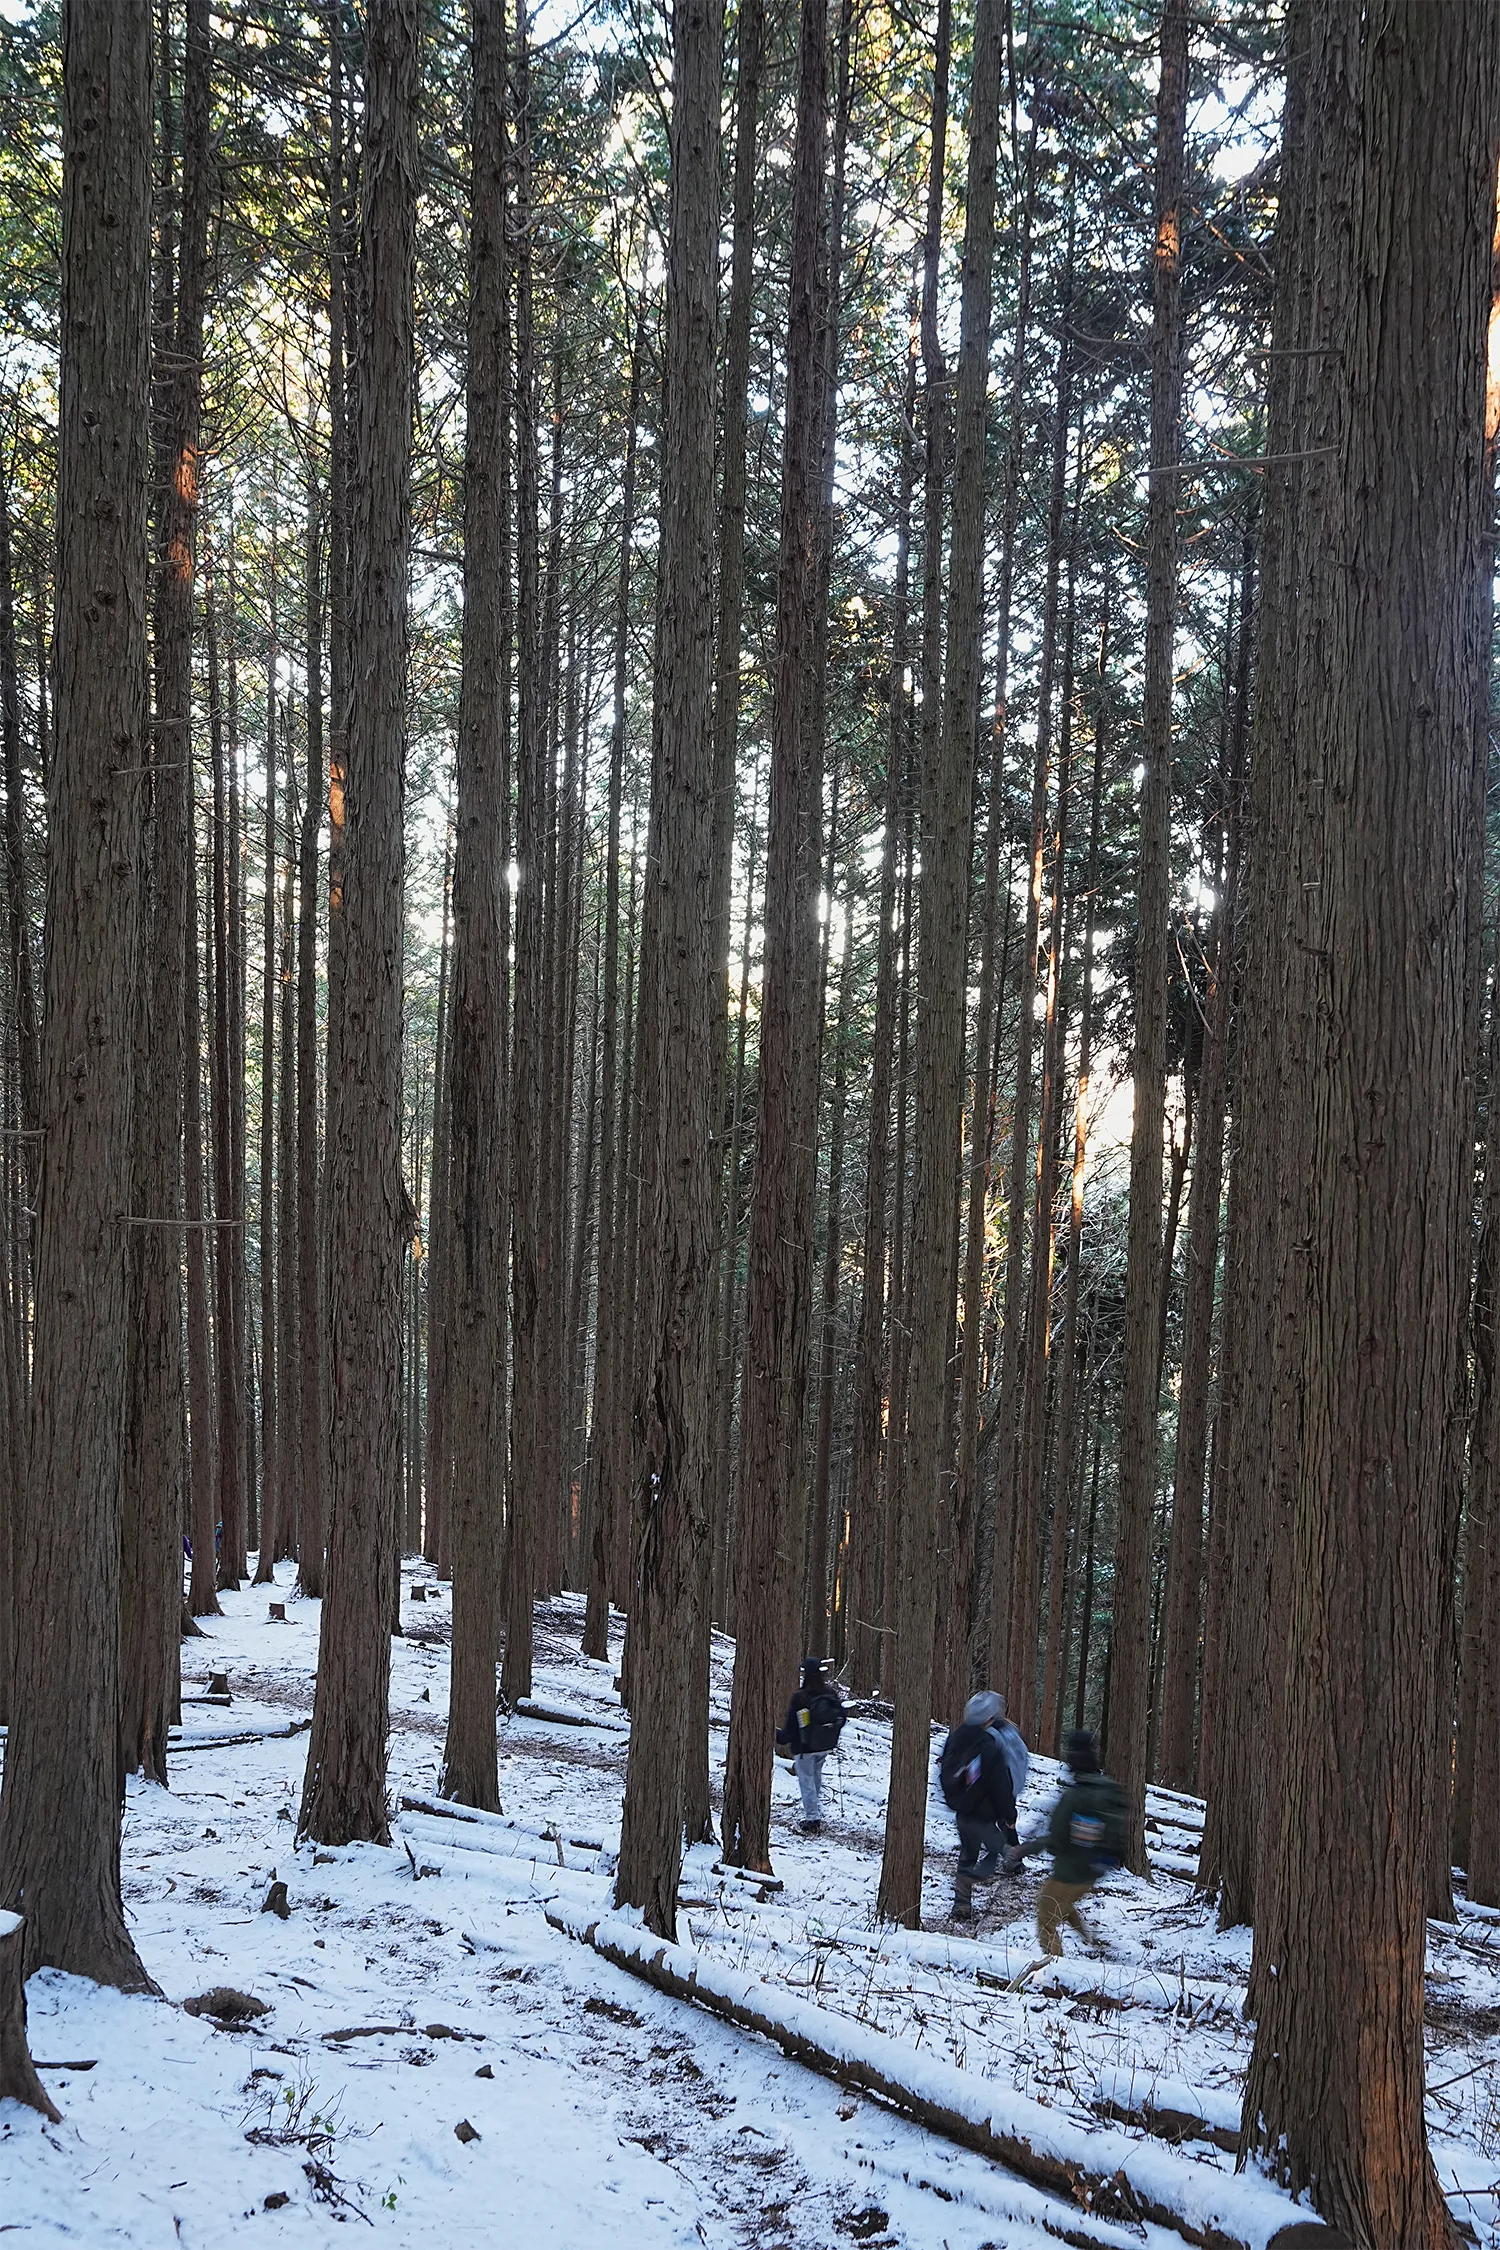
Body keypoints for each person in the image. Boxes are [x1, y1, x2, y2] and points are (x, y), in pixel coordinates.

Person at [1009, 1728, 1127, 1958]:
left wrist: (1026, 1848)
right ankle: (1088, 1939)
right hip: (1095, 1869)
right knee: (1063, 1901)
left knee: (1046, 1917)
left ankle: (1056, 1969)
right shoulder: (1109, 1788)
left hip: (1071, 1871)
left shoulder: (1075, 1797)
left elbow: (1057, 1840)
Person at [938, 1690, 1018, 1922]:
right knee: (996, 1852)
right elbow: (1001, 1785)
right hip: (984, 1816)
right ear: (988, 1718)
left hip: (962, 1813)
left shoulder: (954, 1738)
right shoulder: (989, 1746)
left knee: (967, 1855)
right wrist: (1009, 1814)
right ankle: (973, 1881)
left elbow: (944, 1772)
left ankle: (962, 1906)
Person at [776, 1658, 846, 1832]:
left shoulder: (800, 1697)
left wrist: (780, 1737)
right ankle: (815, 1812)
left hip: (804, 1748)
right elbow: (841, 1717)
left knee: (806, 1781)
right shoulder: (830, 1693)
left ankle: (812, 1819)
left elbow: (792, 1726)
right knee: (815, 1778)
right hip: (825, 1746)